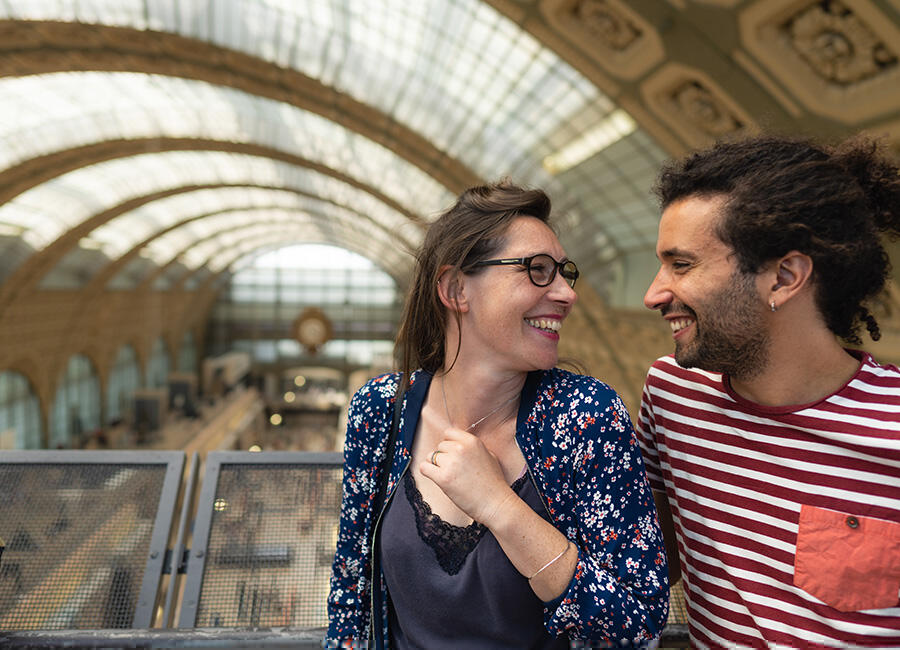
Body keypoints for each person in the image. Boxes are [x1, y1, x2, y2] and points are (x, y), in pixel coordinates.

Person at [327, 180, 669, 648]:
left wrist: (499, 505)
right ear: (455, 289)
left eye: (565, 272)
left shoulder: (584, 416)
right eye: (538, 270)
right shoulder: (381, 410)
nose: (567, 293)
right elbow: (351, 590)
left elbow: (636, 622)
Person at [636, 135, 900, 648]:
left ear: (783, 277)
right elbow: (646, 569)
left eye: (681, 264)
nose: (653, 294)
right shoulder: (672, 395)